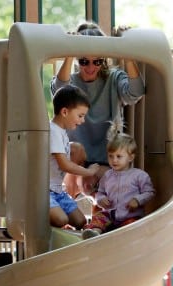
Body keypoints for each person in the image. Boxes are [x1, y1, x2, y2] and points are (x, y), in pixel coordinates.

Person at [50, 21, 145, 195]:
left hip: (105, 160)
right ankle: (67, 209)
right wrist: (70, 52)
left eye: (97, 61)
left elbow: (136, 92)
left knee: (105, 182)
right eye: (84, 61)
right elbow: (59, 90)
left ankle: (99, 217)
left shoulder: (114, 78)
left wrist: (127, 53)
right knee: (73, 152)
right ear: (78, 61)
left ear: (104, 60)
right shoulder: (71, 82)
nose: (91, 67)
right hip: (74, 159)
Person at [82, 120, 155, 239]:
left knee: (133, 225)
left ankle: (122, 237)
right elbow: (100, 192)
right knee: (99, 217)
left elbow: (149, 192)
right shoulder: (107, 175)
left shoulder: (139, 175)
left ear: (130, 157)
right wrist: (101, 199)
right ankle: (94, 234)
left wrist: (137, 200)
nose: (114, 160)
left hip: (130, 215)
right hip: (111, 215)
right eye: (111, 156)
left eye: (119, 156)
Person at [49, 84, 99, 229]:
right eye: (80, 115)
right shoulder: (53, 131)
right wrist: (89, 172)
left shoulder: (61, 131)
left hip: (57, 191)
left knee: (80, 221)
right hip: (45, 192)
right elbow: (65, 165)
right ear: (64, 112)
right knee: (61, 220)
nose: (82, 120)